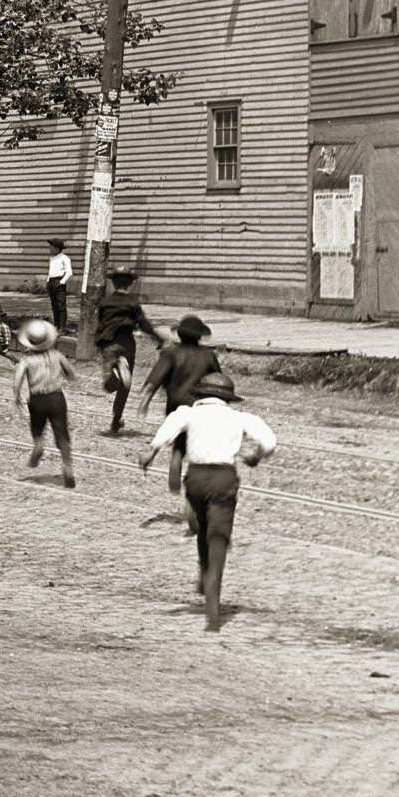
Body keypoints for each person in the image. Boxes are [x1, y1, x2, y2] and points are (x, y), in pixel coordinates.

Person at [139, 372, 276, 632]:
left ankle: (203, 573)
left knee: (202, 525)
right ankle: (213, 613)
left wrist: (150, 452)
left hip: (196, 480)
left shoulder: (187, 413)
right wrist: (256, 456)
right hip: (224, 478)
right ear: (228, 399)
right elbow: (269, 441)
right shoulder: (240, 418)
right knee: (219, 539)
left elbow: (169, 429)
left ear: (200, 395)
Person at [139, 315, 223, 508]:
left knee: (176, 435)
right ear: (200, 336)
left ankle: (174, 463)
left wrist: (145, 400)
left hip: (175, 402)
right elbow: (219, 379)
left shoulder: (171, 353)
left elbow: (156, 377)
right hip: (199, 404)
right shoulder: (208, 356)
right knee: (196, 439)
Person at [95, 267, 161, 434]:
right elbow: (144, 324)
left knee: (109, 386)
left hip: (108, 343)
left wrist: (98, 344)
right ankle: (116, 421)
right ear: (130, 284)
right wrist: (159, 339)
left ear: (113, 283)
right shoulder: (132, 303)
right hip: (126, 343)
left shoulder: (105, 302)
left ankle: (114, 372)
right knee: (125, 387)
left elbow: (100, 324)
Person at [13, 318, 76, 487]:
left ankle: (39, 445)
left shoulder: (26, 360)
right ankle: (68, 466)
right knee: (62, 434)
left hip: (37, 398)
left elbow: (17, 380)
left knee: (37, 429)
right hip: (56, 397)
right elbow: (71, 374)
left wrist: (17, 396)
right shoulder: (57, 355)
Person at [46, 239, 72, 333]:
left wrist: (61, 282)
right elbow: (50, 272)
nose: (49, 248)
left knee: (61, 305)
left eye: (51, 247)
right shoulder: (51, 258)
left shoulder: (65, 258)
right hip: (52, 282)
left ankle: (62, 327)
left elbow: (69, 272)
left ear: (57, 248)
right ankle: (56, 325)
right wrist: (48, 281)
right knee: (54, 305)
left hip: (59, 281)